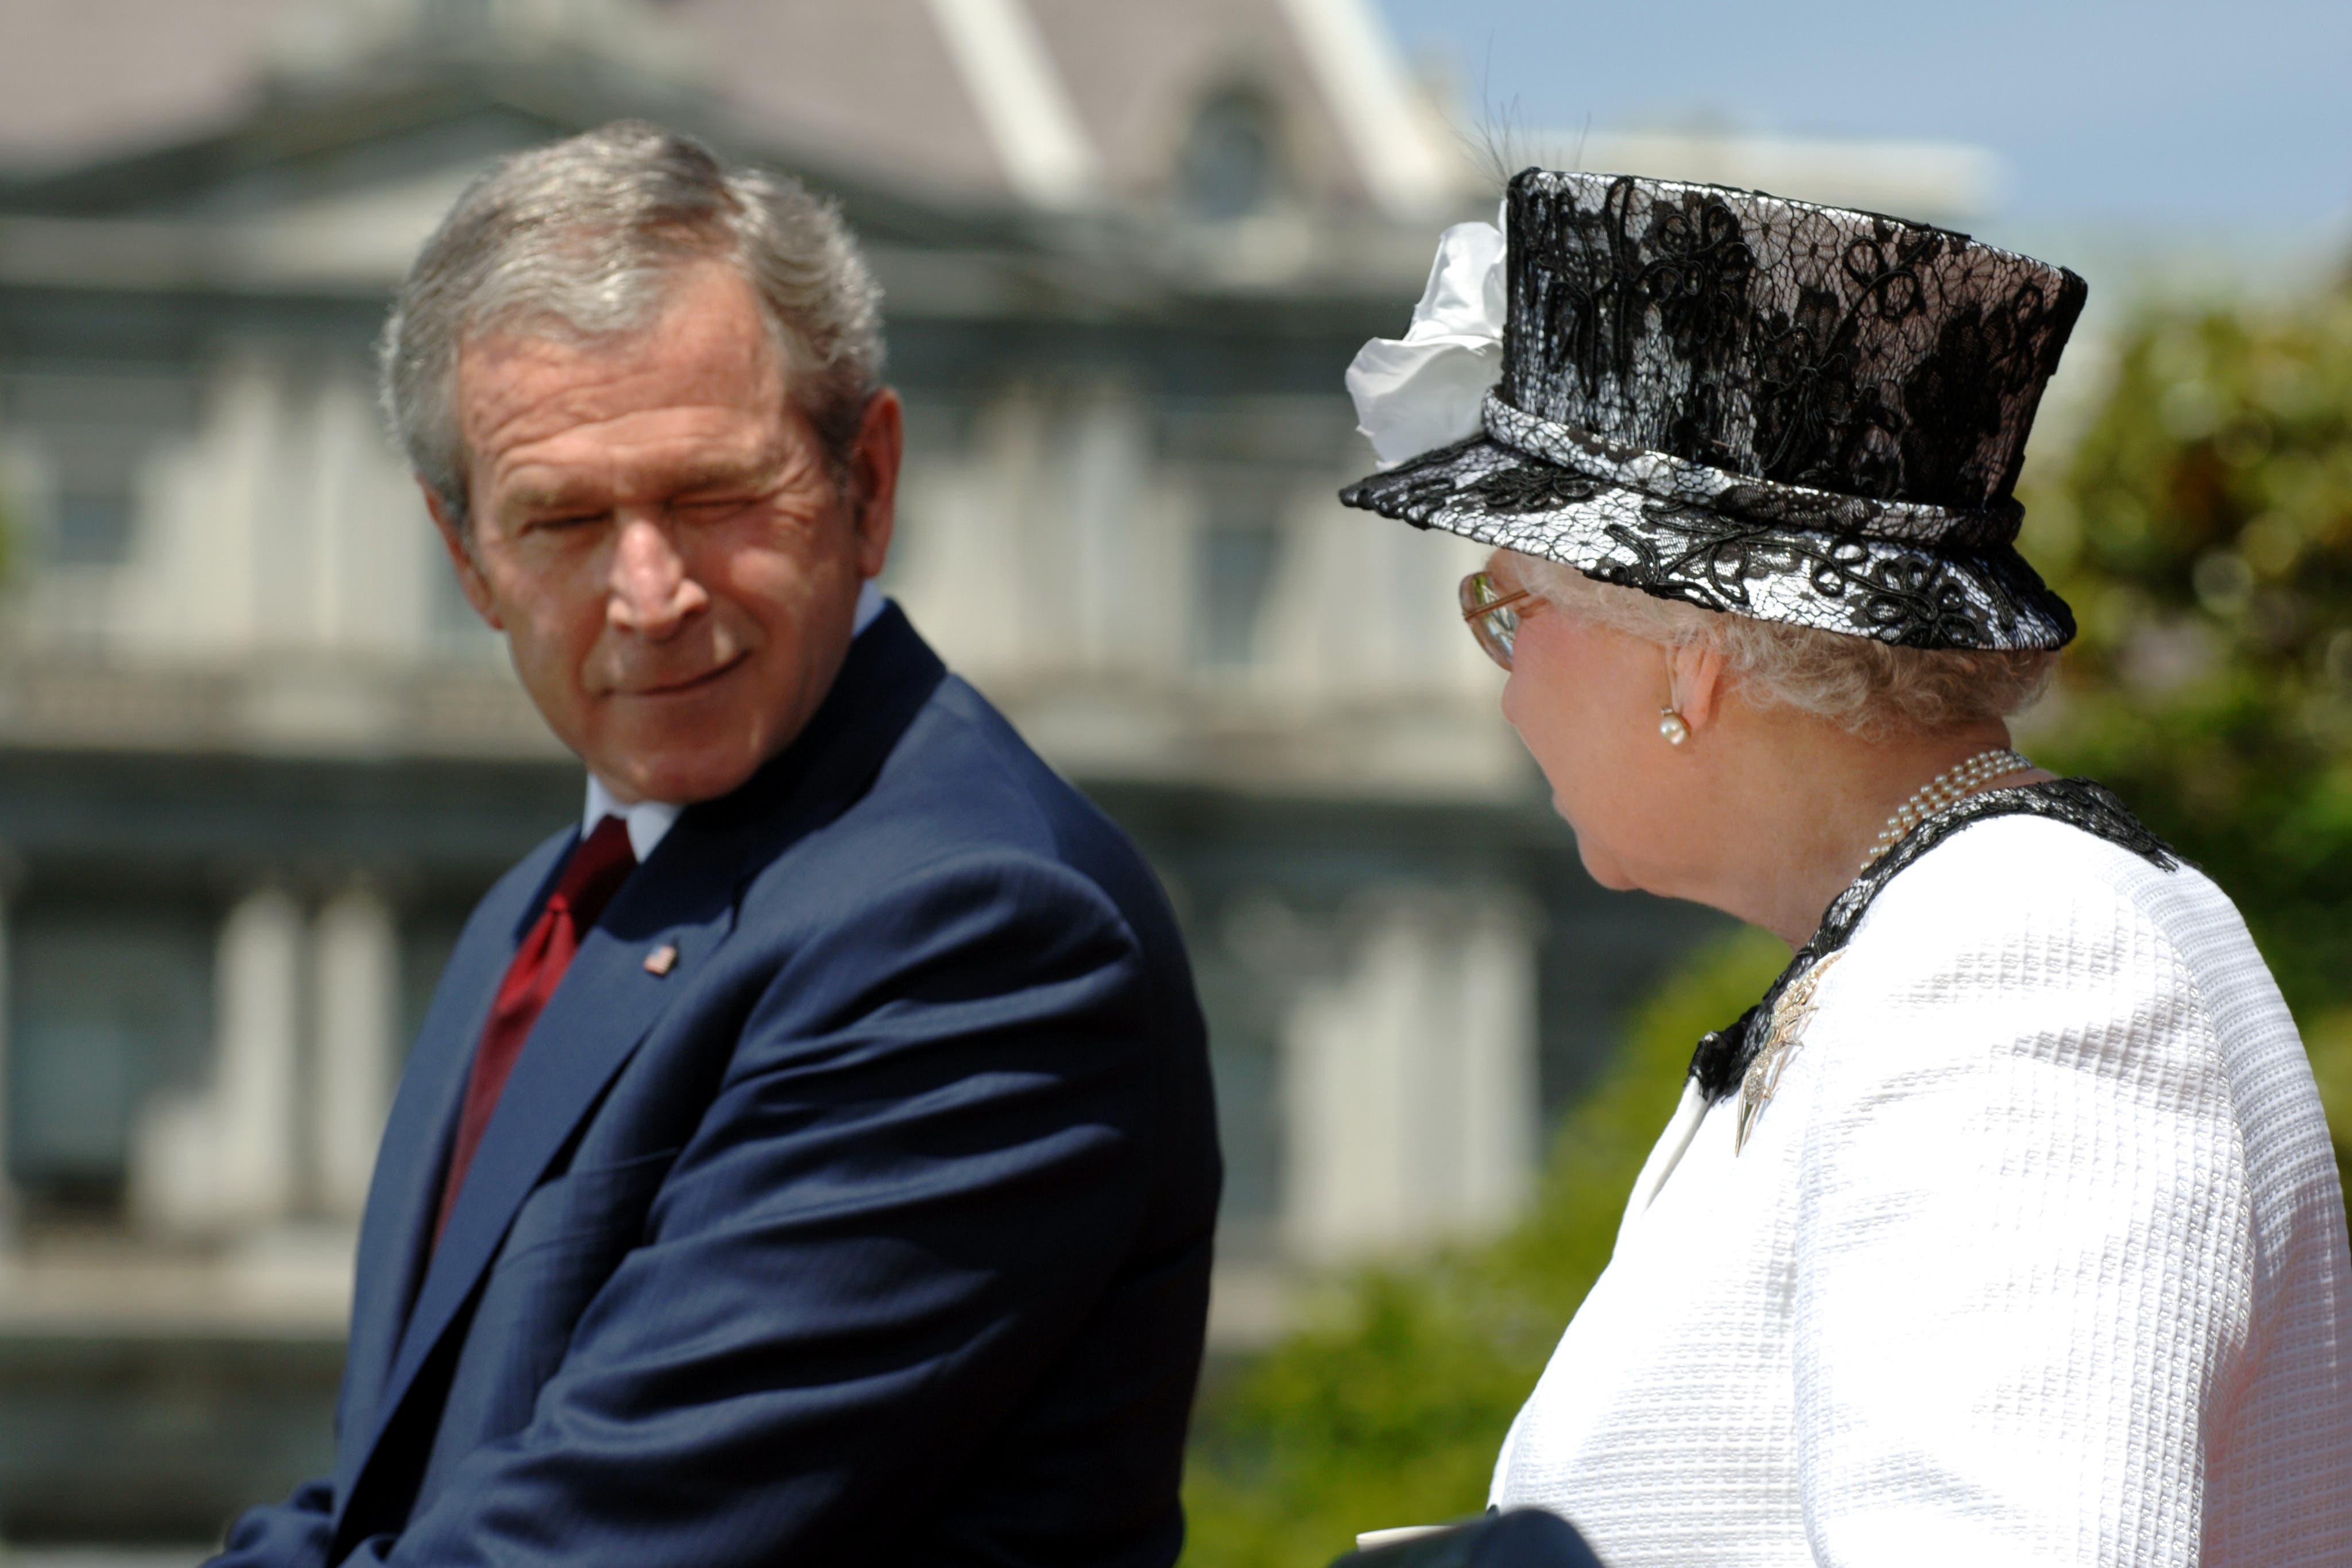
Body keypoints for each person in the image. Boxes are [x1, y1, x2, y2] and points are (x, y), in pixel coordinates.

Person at [207, 121, 1220, 1568]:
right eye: (561, 519)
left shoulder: (972, 929)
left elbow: (589, 1546)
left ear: (867, 484)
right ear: (467, 559)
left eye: (712, 496)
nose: (649, 591)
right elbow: (396, 1496)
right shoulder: (555, 900)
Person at [1340, 169, 2352, 1565]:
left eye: (1505, 607)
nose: (1501, 685)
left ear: (1686, 654)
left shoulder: (2020, 959)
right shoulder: (1954, 929)